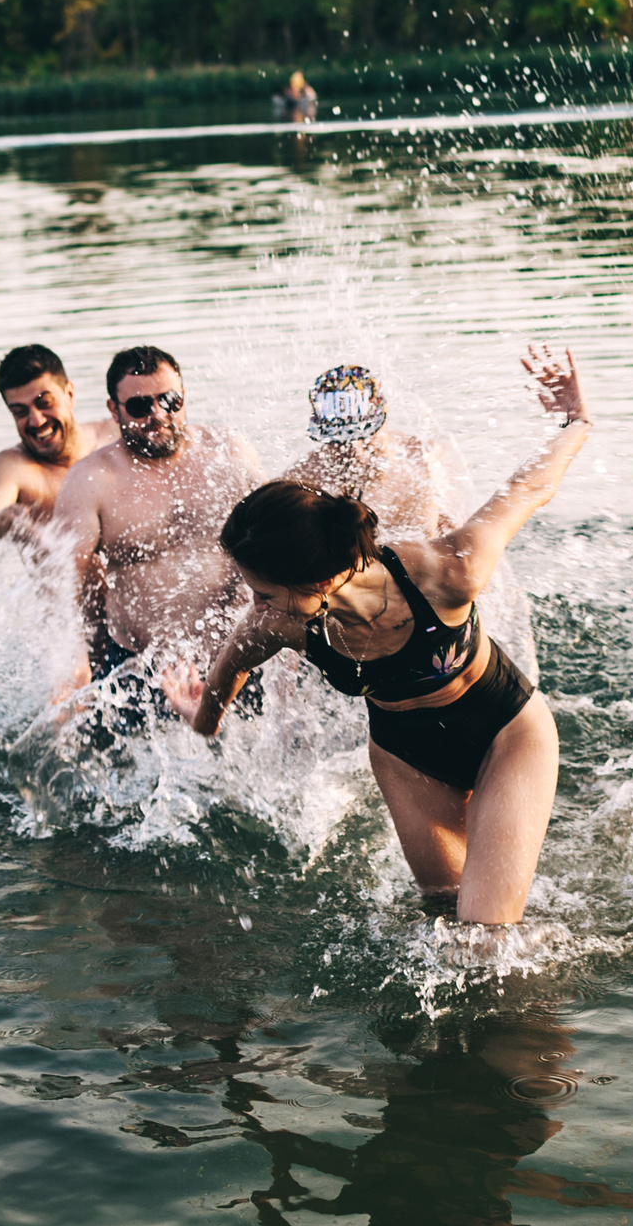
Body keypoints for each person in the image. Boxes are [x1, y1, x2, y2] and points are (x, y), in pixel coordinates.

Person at [179, 347, 591, 925]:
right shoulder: (280, 621)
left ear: (316, 579)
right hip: (404, 756)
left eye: (265, 591)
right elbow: (228, 671)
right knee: (443, 916)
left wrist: (575, 421)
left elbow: (524, 491)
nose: (255, 606)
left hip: (503, 731)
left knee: (486, 935)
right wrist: (200, 722)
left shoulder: (446, 572)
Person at [50, 345, 264, 727]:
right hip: (142, 666)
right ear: (113, 410)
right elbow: (68, 585)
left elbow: (277, 542)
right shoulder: (90, 480)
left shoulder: (228, 451)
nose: (158, 415)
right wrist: (76, 668)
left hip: (235, 654)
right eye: (139, 406)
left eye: (170, 400)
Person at [0, 344, 116, 562]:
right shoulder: (13, 469)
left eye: (45, 403)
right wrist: (1, 523)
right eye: (20, 412)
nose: (36, 420)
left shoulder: (115, 438)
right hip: (66, 595)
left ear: (69, 394)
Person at [282, 364, 454, 541]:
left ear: (384, 422)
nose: (354, 452)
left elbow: (455, 537)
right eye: (339, 440)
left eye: (364, 435)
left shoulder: (424, 458)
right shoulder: (301, 485)